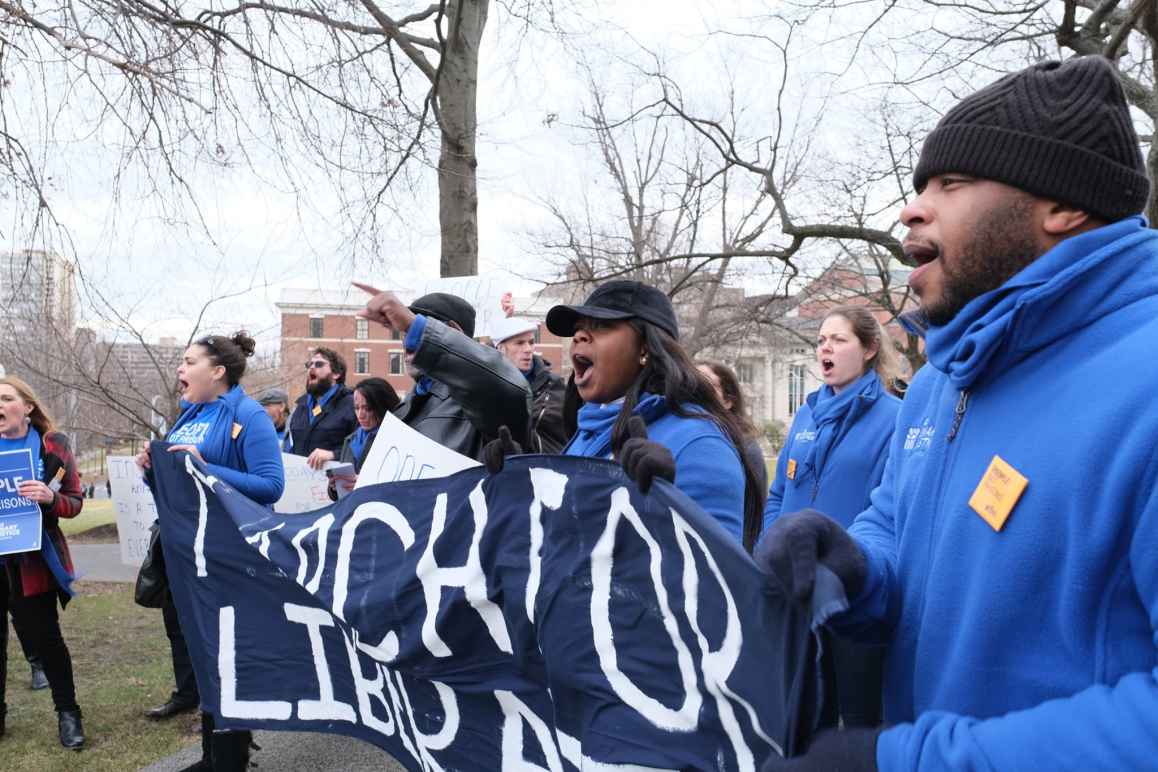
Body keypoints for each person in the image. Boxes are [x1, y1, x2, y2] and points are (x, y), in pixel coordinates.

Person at [758, 56, 1158, 770]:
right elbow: (896, 522)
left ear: (1061, 205)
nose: (912, 208)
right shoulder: (950, 368)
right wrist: (855, 568)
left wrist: (910, 762)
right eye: (919, 187)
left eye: (952, 183)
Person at [137, 331, 284, 771]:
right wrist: (152, 471)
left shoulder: (248, 414)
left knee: (227, 658)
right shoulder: (187, 416)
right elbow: (177, 487)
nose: (180, 370)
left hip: (230, 555)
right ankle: (211, 756)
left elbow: (270, 485)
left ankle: (230, 757)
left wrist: (206, 467)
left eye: (188, 362)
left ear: (217, 371)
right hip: (189, 556)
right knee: (202, 653)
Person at [761, 305, 903, 731]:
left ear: (870, 349)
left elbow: (889, 512)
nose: (826, 347)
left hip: (850, 596)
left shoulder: (895, 418)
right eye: (822, 339)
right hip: (794, 593)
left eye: (838, 340)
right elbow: (778, 494)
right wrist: (770, 550)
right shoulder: (806, 414)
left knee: (859, 722)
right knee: (800, 716)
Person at [542, 280, 764, 548]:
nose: (579, 337)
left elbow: (718, 574)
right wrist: (507, 487)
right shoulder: (586, 431)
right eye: (578, 329)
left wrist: (664, 503)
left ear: (645, 348)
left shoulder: (700, 443)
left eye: (600, 326)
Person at [0, 376, 86, 748]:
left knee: (47, 640)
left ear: (28, 407)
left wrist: (49, 499)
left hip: (34, 562)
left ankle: (68, 714)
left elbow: (75, 502)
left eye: (5, 399)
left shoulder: (53, 446)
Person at [356, 285, 533, 460]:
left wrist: (417, 328)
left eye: (412, 332)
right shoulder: (407, 405)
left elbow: (507, 389)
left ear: (453, 333)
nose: (407, 343)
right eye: (405, 334)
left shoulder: (482, 403)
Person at [491, 316, 568, 453]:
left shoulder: (554, 385)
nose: (528, 349)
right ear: (501, 349)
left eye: (531, 342)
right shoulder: (486, 386)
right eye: (519, 343)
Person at [697, 361, 769, 498]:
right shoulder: (683, 440)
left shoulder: (747, 450)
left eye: (706, 383)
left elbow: (755, 511)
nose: (697, 388)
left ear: (728, 401)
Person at [326, 377, 400, 499]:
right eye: (356, 408)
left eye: (367, 408)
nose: (360, 415)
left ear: (382, 407)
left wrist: (364, 482)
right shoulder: (350, 440)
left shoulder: (395, 439)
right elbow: (338, 497)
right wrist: (334, 487)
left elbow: (400, 488)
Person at [286, 348, 357, 470]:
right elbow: (292, 447)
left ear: (336, 374)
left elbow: (362, 447)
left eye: (319, 364)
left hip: (335, 485)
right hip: (302, 482)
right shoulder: (300, 406)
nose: (312, 368)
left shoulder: (352, 404)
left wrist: (333, 455)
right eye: (309, 364)